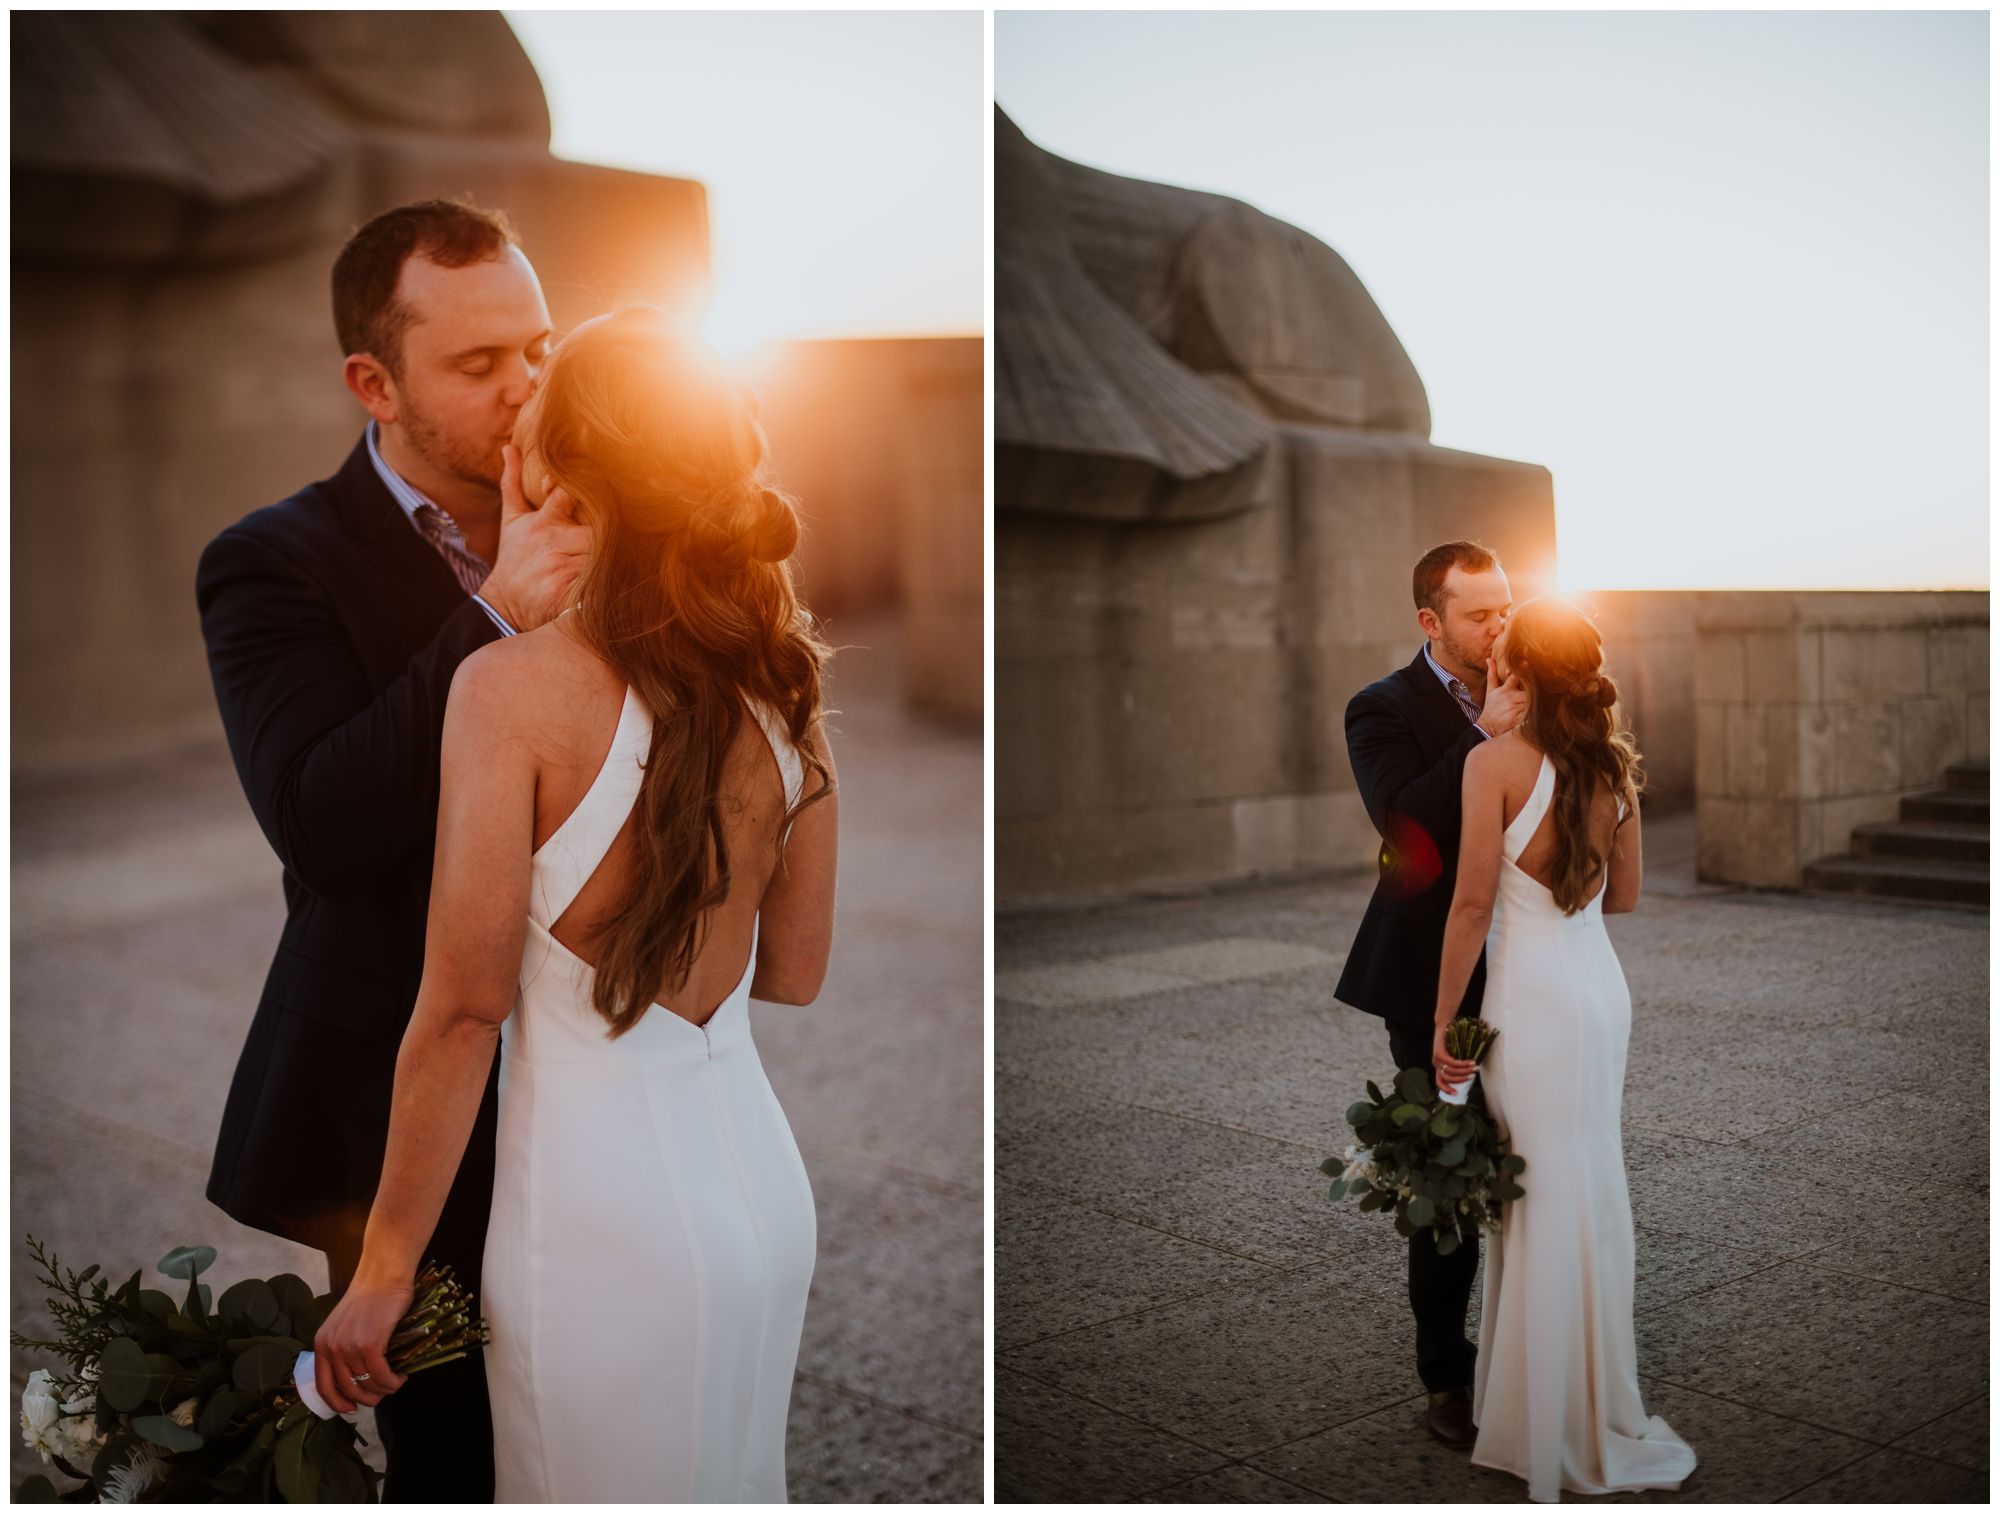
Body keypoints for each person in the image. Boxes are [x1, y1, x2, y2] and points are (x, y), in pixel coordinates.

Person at [312, 305, 840, 1503]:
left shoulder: (508, 688)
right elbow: (794, 968)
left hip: (599, 1225)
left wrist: (384, 1269)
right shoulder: (780, 676)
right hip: (758, 1188)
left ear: (563, 473)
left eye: (535, 421)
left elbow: (458, 1012)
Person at [196, 198, 589, 1501]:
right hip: (410, 1100)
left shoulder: (609, 521)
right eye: (479, 366)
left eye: (537, 346)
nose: (527, 387)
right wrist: (492, 615)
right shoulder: (269, 563)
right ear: (375, 381)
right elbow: (319, 821)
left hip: (604, 1077)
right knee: (456, 1454)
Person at [1431, 595, 1696, 1502]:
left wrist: (1444, 1030)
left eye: (1502, 649)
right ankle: (1590, 1398)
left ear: (1521, 672)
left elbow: (1470, 906)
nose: (1491, 659)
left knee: (1537, 1195)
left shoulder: (1493, 763)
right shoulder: (1612, 769)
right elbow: (1620, 901)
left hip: (1532, 1000)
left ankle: (1541, 1419)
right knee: (1587, 1181)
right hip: (1597, 992)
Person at [1333, 540, 1526, 1446]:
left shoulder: (1536, 685)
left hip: (1531, 965)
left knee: (1535, 1159)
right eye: (1479, 614)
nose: (1499, 627)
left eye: (1505, 608)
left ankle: (1533, 1346)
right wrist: (1484, 732)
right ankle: (1447, 1377)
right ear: (1430, 621)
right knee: (1448, 1167)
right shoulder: (1381, 708)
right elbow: (1405, 823)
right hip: (1428, 978)